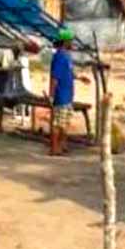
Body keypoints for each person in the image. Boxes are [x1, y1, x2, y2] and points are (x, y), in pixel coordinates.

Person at [48, 28, 77, 156]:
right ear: (65, 42)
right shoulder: (59, 57)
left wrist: (80, 78)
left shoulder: (67, 56)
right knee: (57, 123)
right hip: (61, 95)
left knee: (65, 122)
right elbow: (54, 78)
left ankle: (62, 145)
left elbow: (69, 73)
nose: (72, 42)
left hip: (68, 95)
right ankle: (54, 148)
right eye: (70, 40)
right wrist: (51, 95)